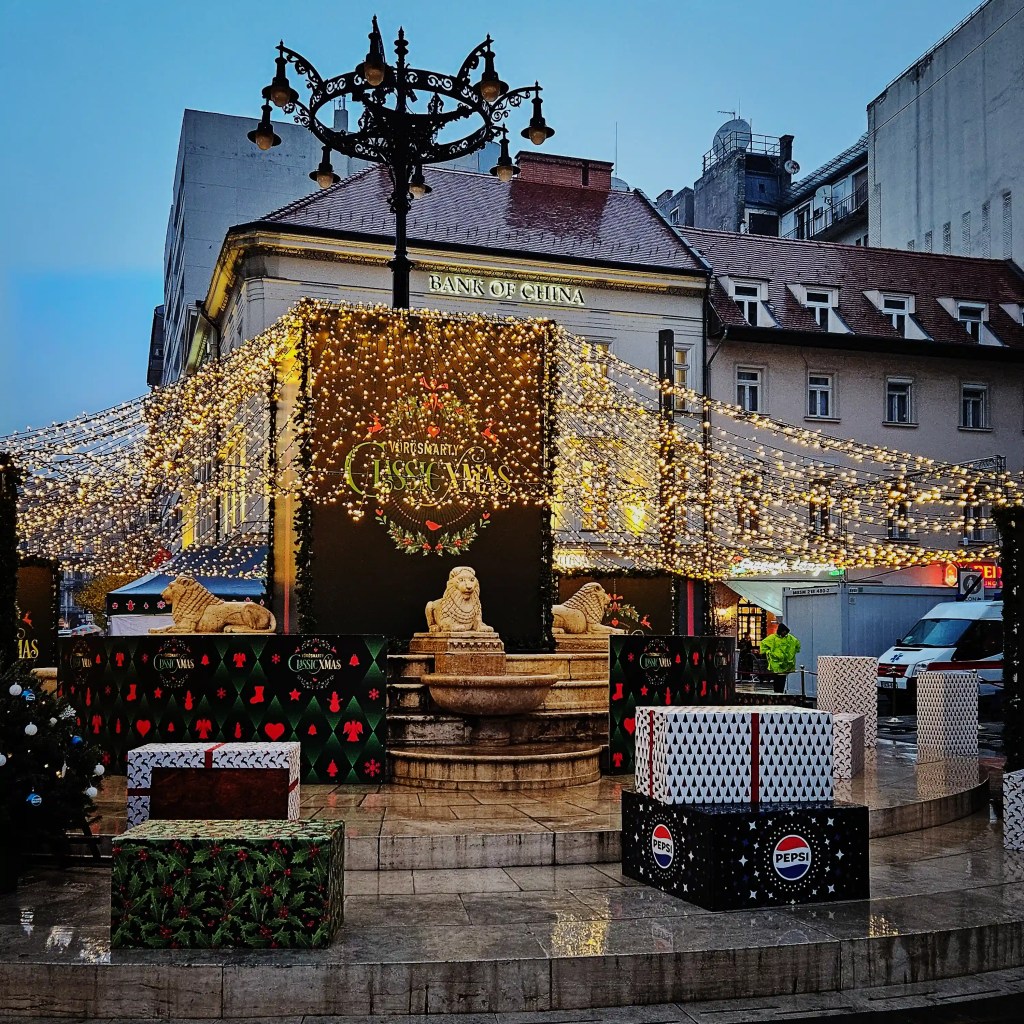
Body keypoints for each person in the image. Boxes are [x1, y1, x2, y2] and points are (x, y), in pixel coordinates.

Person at [759, 623, 800, 694]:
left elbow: (797, 645)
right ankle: (778, 693)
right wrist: (768, 653)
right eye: (784, 631)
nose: (785, 633)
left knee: (781, 679)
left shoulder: (788, 638)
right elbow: (763, 644)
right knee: (778, 679)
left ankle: (778, 693)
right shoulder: (775, 638)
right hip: (779, 663)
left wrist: (768, 652)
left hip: (783, 663)